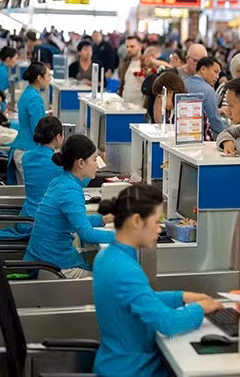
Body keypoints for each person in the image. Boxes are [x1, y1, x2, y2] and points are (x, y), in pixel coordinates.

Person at [93, 184, 222, 377]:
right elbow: (167, 322)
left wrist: (183, 297)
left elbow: (142, 300)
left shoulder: (108, 257)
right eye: (156, 221)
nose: (160, 229)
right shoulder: (125, 269)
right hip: (133, 370)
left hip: (116, 363)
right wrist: (202, 308)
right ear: (136, 221)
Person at [24, 134, 114, 278]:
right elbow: (87, 234)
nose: (97, 164)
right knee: (112, 278)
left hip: (44, 259)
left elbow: (77, 221)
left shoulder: (61, 181)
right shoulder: (70, 190)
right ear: (80, 163)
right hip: (53, 267)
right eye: (94, 159)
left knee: (105, 266)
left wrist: (104, 219)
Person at [9, 62, 48, 183]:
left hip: (22, 149)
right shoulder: (34, 98)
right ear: (39, 78)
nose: (49, 80)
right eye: (48, 76)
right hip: (28, 150)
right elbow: (38, 129)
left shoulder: (27, 93)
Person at [20, 116, 64, 223]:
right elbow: (78, 180)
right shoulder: (56, 163)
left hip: (26, 219)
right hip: (43, 223)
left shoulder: (26, 157)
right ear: (58, 137)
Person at [184, 57, 226, 136]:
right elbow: (215, 123)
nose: (217, 77)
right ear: (203, 69)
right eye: (215, 72)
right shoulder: (208, 90)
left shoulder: (184, 82)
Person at [117, 35, 145, 106]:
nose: (129, 49)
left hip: (140, 107)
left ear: (140, 47)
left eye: (132, 46)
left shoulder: (146, 63)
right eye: (127, 47)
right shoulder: (125, 64)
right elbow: (122, 84)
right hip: (125, 105)